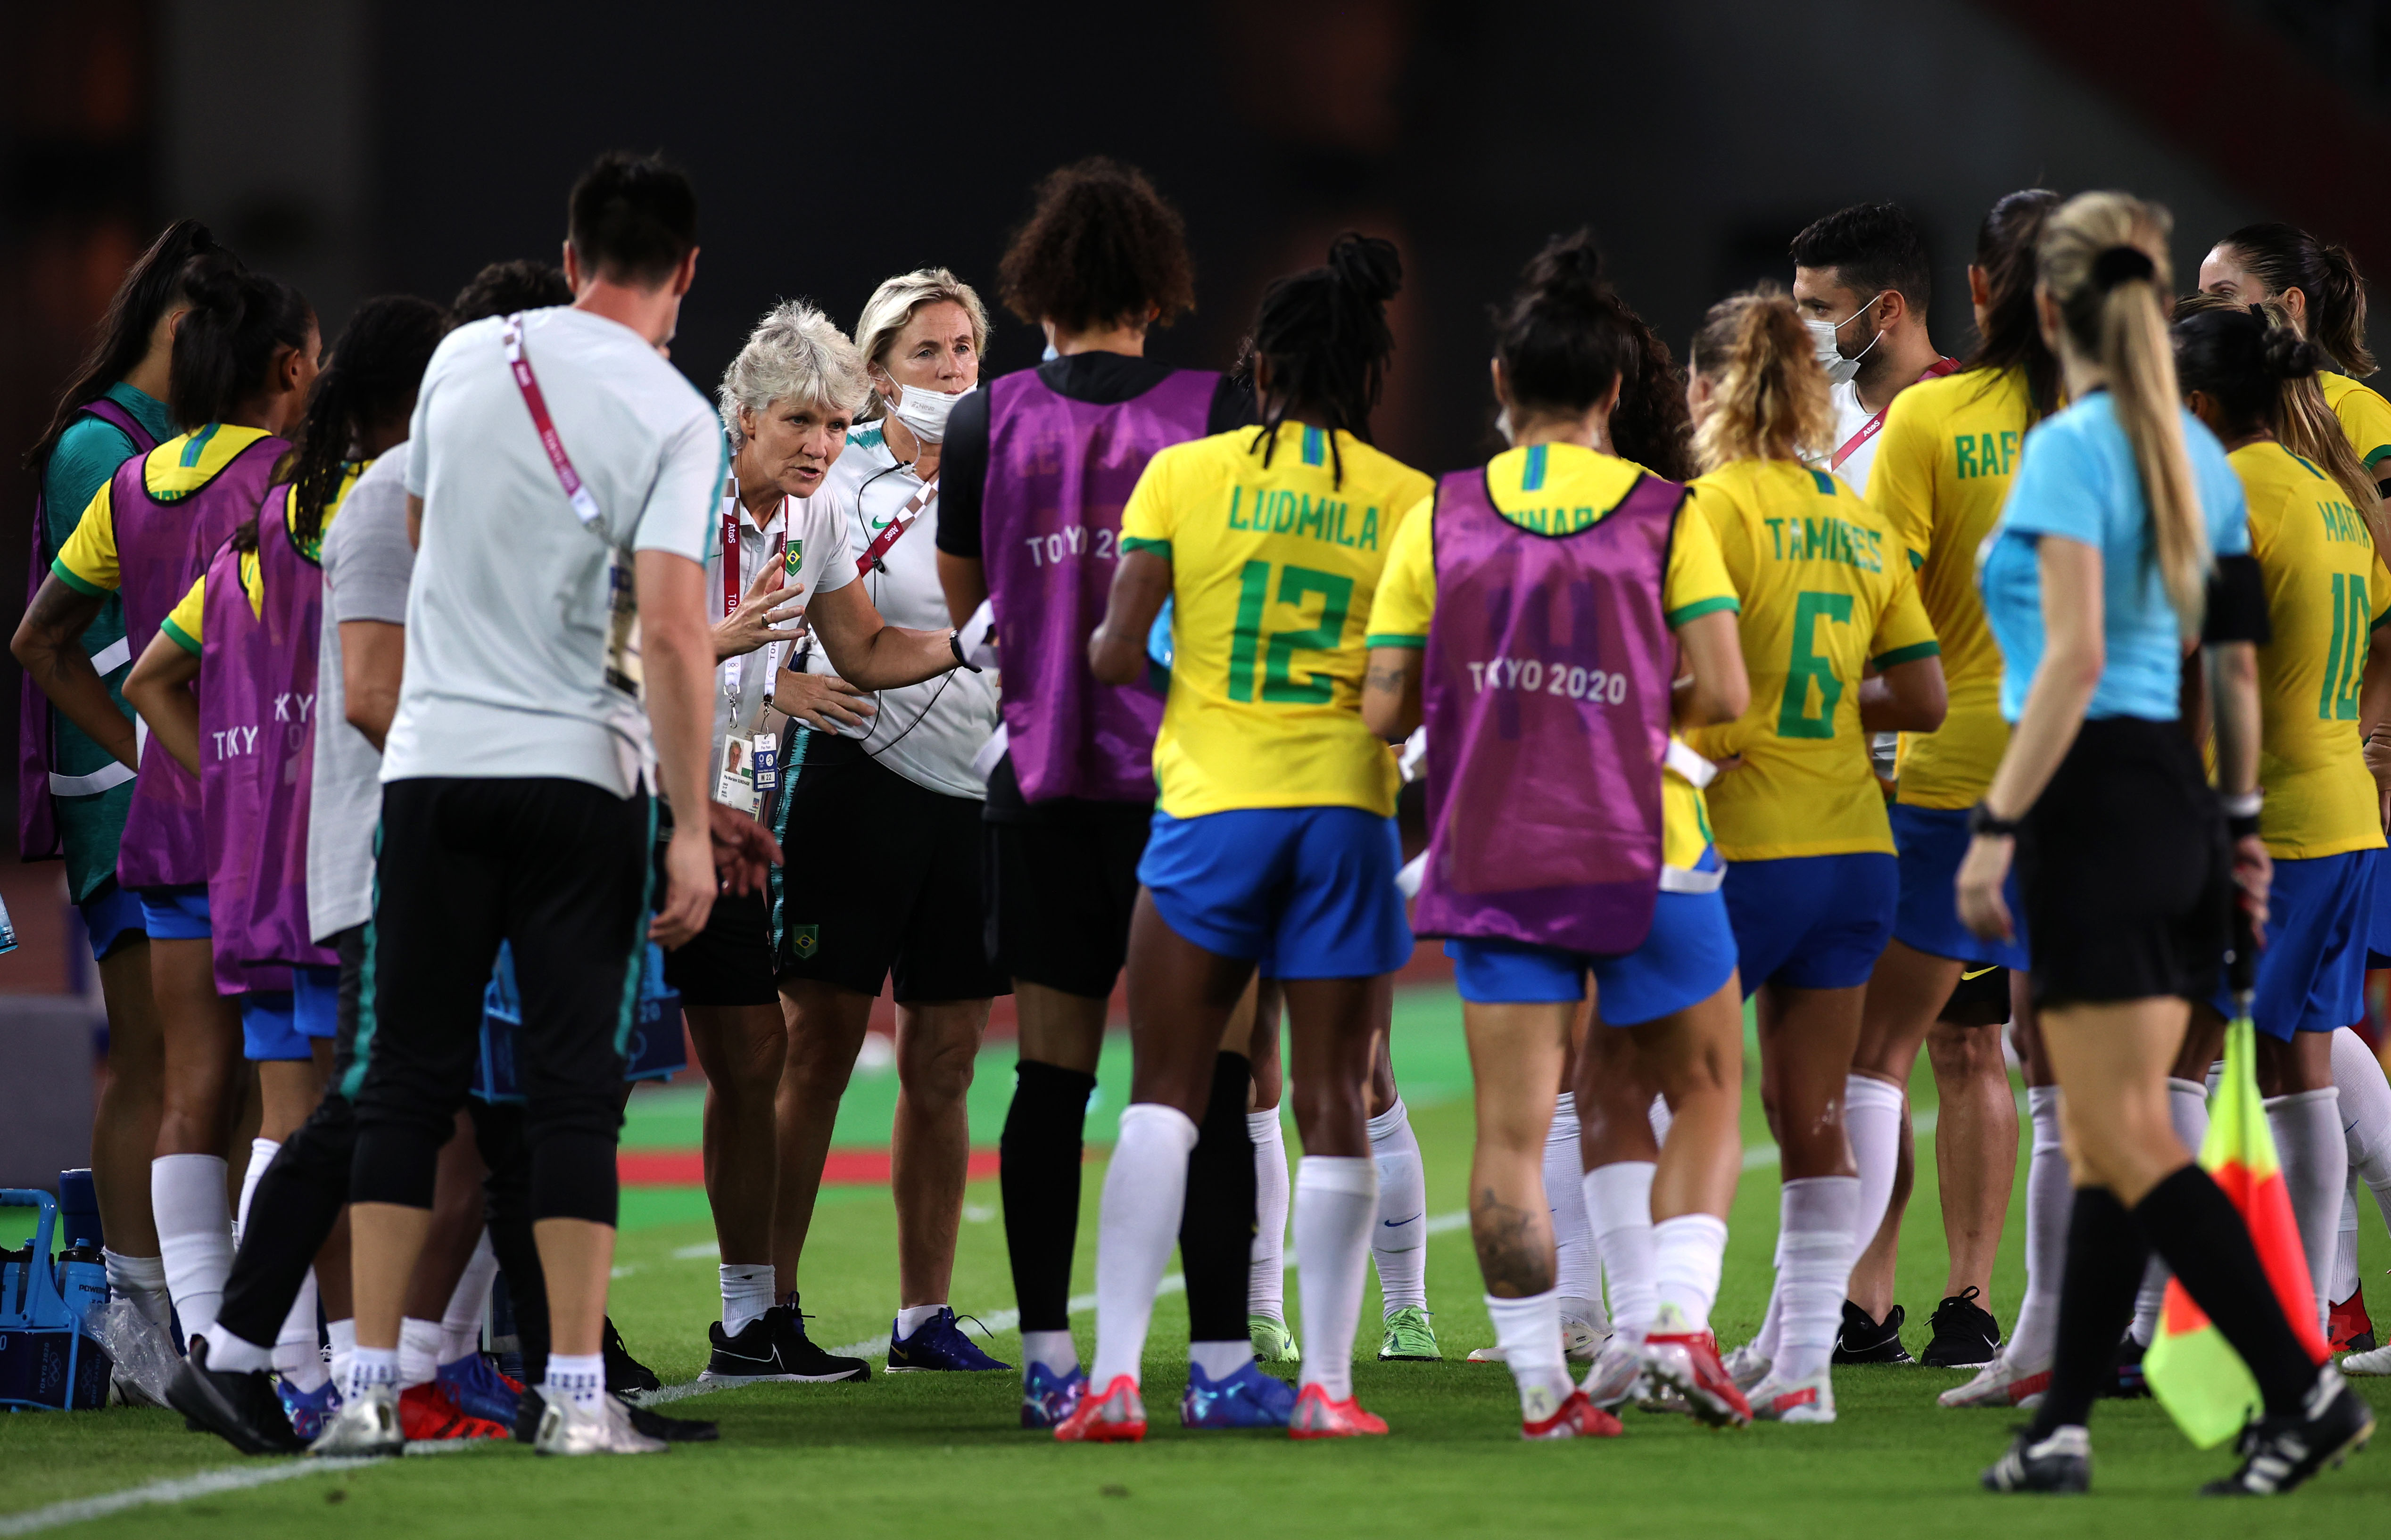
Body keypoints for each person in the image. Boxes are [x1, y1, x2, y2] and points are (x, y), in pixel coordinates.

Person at [303, 154, 794, 1459]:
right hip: (579, 773)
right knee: (572, 1096)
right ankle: (576, 1397)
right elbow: (677, 634)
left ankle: (361, 1386)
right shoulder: (679, 416)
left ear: (571, 257)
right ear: (685, 273)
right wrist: (688, 823)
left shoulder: (464, 362)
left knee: (403, 1080)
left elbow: (420, 540)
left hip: (434, 766)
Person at [1966, 189, 2369, 1497]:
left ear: (2044, 311)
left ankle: (2299, 1389)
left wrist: (1993, 822)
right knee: (2110, 1132)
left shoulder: (2074, 447)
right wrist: (2236, 826)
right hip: (2179, 803)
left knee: (2126, 1130)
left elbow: (2073, 655)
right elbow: (2235, 674)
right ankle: (2061, 1427)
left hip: (2088, 797)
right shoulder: (2200, 459)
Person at [1365, 231, 1754, 1438]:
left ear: (1499, 385)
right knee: (1699, 1088)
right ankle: (1680, 1316)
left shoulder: (1439, 516)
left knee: (1509, 1130)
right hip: (1652, 846)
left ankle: (1544, 1387)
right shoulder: (1665, 512)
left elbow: (1384, 703)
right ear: (1611, 395)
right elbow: (1727, 689)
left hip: (1495, 852)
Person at [1059, 234, 1422, 1442]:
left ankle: (1112, 1379)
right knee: (1330, 1097)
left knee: (1163, 1091)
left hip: (1211, 806)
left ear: (1256, 363)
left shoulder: (1183, 474)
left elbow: (1112, 648)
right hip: (1344, 812)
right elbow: (1411, 684)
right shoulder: (1404, 497)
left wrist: (1184, 673)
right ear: (1367, 370)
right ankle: (1325, 1385)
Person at [932, 157, 1257, 1429]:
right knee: (1211, 1082)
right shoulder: (1213, 406)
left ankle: (1048, 1360)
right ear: (1156, 285)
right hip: (1192, 788)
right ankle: (1221, 1364)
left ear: (1039, 284)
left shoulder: (984, 418)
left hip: (1043, 778)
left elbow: (971, 605)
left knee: (1050, 1078)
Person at [25, 265, 318, 1359]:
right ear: (291, 367)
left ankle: (202, 1337)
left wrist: (155, 755)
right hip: (281, 824)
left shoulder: (132, 482)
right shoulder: (299, 479)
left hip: (175, 820)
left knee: (190, 1080)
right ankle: (284, 1345)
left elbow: (38, 643)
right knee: (295, 1082)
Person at [1679, 286, 1947, 1422]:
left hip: (1745, 843)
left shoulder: (1710, 507)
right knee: (1818, 1112)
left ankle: (1661, 1331)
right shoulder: (1855, 515)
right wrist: (1835, 690)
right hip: (1856, 844)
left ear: (1710, 387)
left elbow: (1691, 678)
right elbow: (1925, 696)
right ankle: (1800, 1368)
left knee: (1651, 1094)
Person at [695, 296, 955, 1386]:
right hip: (619, 807)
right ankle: (528, 1323)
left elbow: (863, 643)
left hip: (726, 820)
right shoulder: (676, 494)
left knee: (753, 1055)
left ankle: (749, 1322)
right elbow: (599, 650)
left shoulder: (818, 513)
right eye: (800, 418)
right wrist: (726, 645)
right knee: (579, 1078)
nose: (821, 442)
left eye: (836, 422)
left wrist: (983, 643)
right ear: (743, 416)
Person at [768, 268, 1012, 1376]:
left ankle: (924, 1313)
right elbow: (760, 604)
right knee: (814, 1042)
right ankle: (763, 1301)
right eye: (927, 352)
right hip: (858, 774)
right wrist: (782, 683)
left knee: (949, 1055)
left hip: (974, 789)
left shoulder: (1009, 476)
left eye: (964, 349)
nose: (954, 370)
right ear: (875, 376)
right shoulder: (839, 477)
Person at [13, 218, 238, 1340]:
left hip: (187, 784)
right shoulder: (104, 449)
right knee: (155, 1057)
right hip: (129, 797)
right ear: (187, 329)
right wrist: (153, 753)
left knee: (219, 1058)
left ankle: (195, 1299)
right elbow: (81, 642)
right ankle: (127, 1303)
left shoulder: (173, 436)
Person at [1851, 189, 2060, 1380]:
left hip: (1947, 774)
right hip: (2101, 778)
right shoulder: (2131, 422)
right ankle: (2012, 1310)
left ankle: (1847, 1305)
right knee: (2066, 1062)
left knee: (1893, 1047)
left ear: (1977, 293)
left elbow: (1886, 612)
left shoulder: (1926, 423)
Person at [2169, 301, 2390, 1344]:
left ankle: (2165, 1318)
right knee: (2300, 1062)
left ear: (2201, 403)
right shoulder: (2329, 494)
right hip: (2345, 811)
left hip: (2274, 820)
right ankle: (2302, 1315)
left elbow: (2223, 662)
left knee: (2176, 1059)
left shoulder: (2232, 491)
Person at [2197, 224, 2391, 502]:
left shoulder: (2349, 406)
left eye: (2225, 294)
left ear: (2290, 303)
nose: (2204, 312)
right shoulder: (2212, 412)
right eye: (2202, 298)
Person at [1789, 202, 1959, 490]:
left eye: (1819, 309)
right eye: (1799, 306)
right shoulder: (1801, 417)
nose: (1796, 328)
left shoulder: (1970, 416)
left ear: (1886, 310)